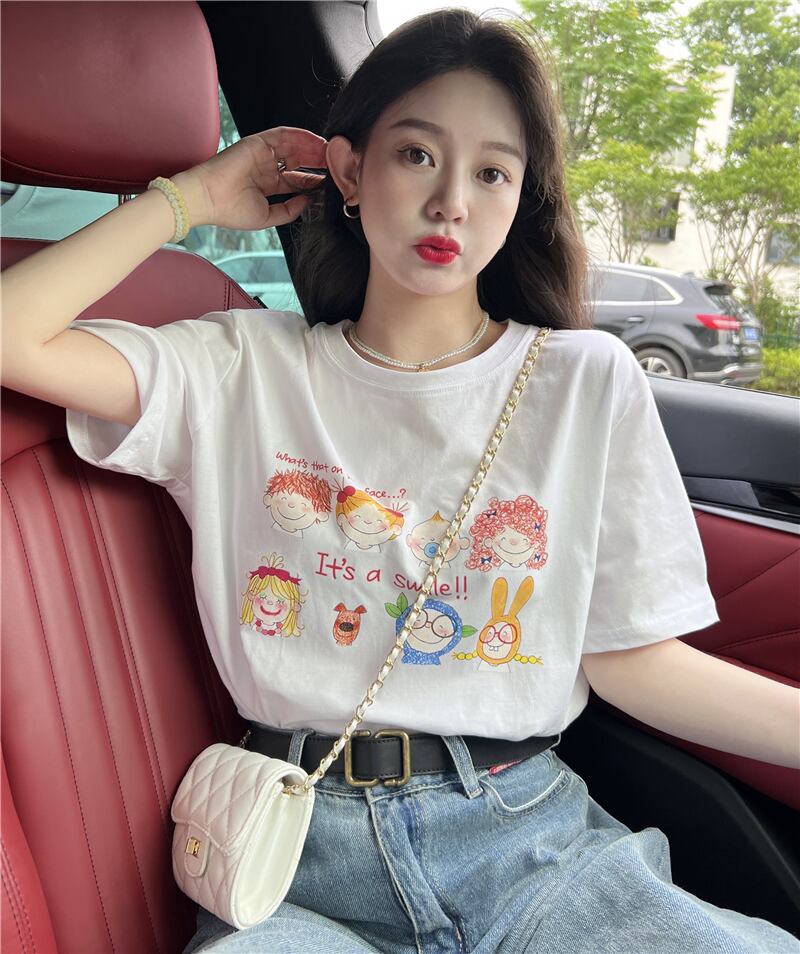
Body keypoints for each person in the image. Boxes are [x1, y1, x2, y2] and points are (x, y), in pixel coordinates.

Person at [2, 8, 798, 954]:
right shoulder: (239, 368)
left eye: (492, 172)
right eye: (417, 155)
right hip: (302, 862)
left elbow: (634, 661)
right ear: (349, 171)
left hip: (529, 846)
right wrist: (192, 198)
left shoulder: (584, 381)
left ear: (521, 198)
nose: (451, 201)